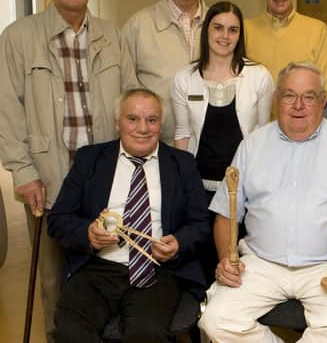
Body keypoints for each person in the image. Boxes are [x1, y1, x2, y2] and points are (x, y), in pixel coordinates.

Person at [198, 62, 327, 343]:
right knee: (216, 320)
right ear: (277, 99)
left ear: (323, 101)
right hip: (261, 262)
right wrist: (224, 259)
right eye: (289, 95)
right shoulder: (252, 146)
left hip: (326, 266)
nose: (298, 105)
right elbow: (225, 215)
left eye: (309, 96)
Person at [0, 0, 137, 342]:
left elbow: (129, 98)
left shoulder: (111, 36)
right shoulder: (18, 37)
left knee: (111, 270)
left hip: (107, 179)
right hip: (50, 178)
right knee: (54, 277)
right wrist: (23, 173)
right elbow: (6, 111)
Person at [48, 88, 210, 343]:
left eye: (152, 120)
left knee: (146, 335)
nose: (142, 128)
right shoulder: (90, 159)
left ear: (161, 124)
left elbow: (201, 224)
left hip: (158, 271)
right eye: (132, 119)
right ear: (117, 123)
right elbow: (58, 219)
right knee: (71, 332)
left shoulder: (182, 164)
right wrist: (88, 234)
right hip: (97, 269)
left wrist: (178, 243)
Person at [171, 1, 273, 285]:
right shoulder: (184, 79)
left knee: (239, 268)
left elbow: (264, 135)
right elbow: (182, 134)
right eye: (218, 28)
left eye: (232, 30)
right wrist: (183, 185)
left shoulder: (259, 76)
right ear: (206, 31)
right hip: (199, 189)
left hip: (243, 192)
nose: (224, 36)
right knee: (202, 267)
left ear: (240, 35)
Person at [121, 0, 208, 144]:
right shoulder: (138, 26)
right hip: (156, 145)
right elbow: (124, 87)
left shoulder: (219, 26)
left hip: (207, 145)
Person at [244, 0, 327, 95]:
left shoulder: (317, 30)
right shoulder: (245, 30)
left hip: (301, 116)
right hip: (255, 117)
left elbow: (322, 89)